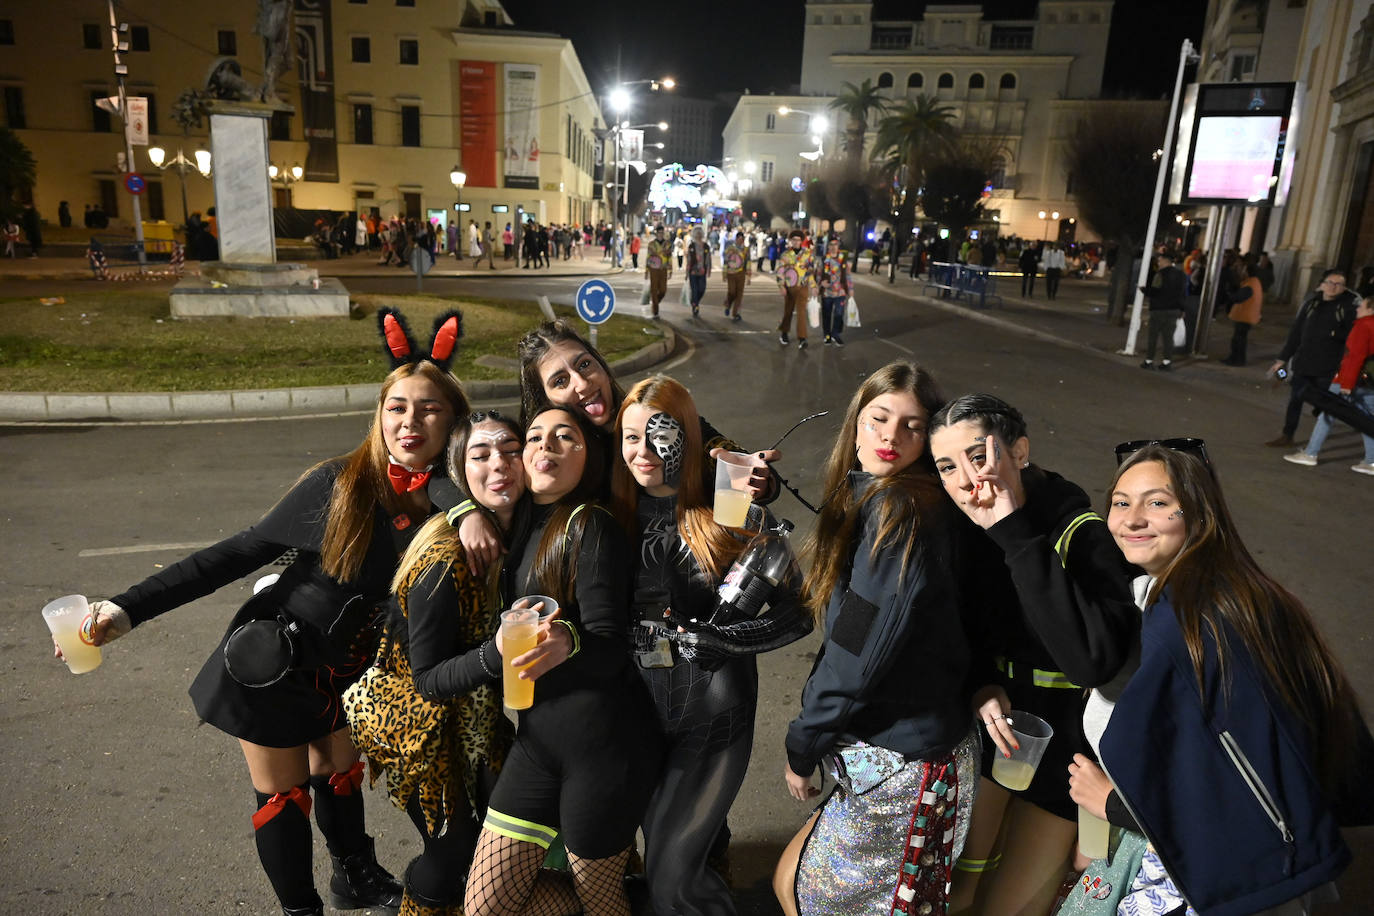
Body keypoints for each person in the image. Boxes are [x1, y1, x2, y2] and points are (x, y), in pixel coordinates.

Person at [55, 308, 469, 916]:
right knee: (284, 793)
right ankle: (301, 910)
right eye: (397, 407)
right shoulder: (341, 483)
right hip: (278, 660)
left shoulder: (454, 496)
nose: (410, 421)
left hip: (353, 669)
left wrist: (462, 505)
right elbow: (235, 554)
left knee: (339, 769)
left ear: (454, 419)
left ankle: (353, 874)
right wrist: (124, 610)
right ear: (379, 415)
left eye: (429, 408)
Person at [1066, 443, 1371, 915]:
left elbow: (1227, 786)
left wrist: (1112, 805)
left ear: (1200, 514)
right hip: (1271, 866)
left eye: (1158, 502)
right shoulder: (1235, 592)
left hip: (1228, 881)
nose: (1132, 519)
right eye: (1121, 503)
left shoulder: (1190, 623)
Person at [772, 361, 980, 916]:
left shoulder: (899, 511)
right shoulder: (873, 493)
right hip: (885, 751)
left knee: (814, 899)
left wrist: (803, 745)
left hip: (904, 763)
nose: (890, 436)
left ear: (931, 436)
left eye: (912, 426)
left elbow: (855, 651)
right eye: (879, 418)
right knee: (794, 883)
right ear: (856, 422)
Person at [926, 394, 1139, 916]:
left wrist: (1014, 534)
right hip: (995, 733)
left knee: (1015, 905)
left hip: (1067, 746)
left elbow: (1092, 660)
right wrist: (980, 681)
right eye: (947, 466)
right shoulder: (965, 525)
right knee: (954, 890)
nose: (964, 479)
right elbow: (960, 625)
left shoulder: (1082, 533)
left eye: (979, 457)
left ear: (1019, 451)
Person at [612, 376, 812, 916]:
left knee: (672, 876)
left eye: (660, 434)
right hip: (634, 714)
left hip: (713, 715)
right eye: (630, 437)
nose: (644, 451)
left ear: (687, 437)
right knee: (659, 864)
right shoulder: (608, 513)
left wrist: (724, 638)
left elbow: (799, 612)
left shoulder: (727, 506)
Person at [463, 406, 663, 916]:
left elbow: (613, 646)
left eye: (564, 437)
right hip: (537, 743)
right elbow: (447, 473)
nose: (545, 446)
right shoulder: (519, 523)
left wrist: (569, 640)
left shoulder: (589, 524)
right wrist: (460, 513)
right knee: (486, 906)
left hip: (601, 747)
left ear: (587, 457)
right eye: (533, 437)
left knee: (600, 901)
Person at [355, 411, 545, 915]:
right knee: (452, 846)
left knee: (503, 835)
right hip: (414, 719)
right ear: (462, 473)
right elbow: (428, 680)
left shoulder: (520, 527)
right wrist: (497, 652)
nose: (499, 465)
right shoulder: (442, 560)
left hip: (473, 715)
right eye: (480, 456)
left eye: (509, 451)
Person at [1266, 268, 1360, 447]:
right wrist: (1282, 359)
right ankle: (1288, 434)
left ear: (1344, 287)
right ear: (1322, 285)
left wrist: (1335, 335)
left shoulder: (1348, 308)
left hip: (1328, 366)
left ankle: (1316, 443)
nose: (1333, 287)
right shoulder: (1311, 305)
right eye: (1330, 283)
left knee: (1323, 405)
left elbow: (1352, 338)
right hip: (1304, 362)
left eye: (1338, 284)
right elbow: (1296, 333)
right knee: (1296, 399)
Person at [1284, 295, 1374, 474]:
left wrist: (1345, 383)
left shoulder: (1364, 326)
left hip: (1349, 380)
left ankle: (1310, 453)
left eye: (1362, 307)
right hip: (1368, 382)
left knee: (1327, 414)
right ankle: (1371, 461)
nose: (1357, 309)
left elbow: (1354, 357)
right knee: (1366, 420)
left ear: (1371, 310)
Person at [1139, 249, 1186, 371]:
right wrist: (1182, 308)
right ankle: (1167, 362)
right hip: (1174, 309)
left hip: (1159, 309)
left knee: (1153, 335)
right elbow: (1183, 293)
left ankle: (1149, 360)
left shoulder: (1160, 274)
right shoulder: (1180, 274)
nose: (1158, 263)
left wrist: (1144, 290)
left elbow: (1155, 291)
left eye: (1159, 261)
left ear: (1165, 261)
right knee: (1168, 337)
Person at [775, 230, 816, 350]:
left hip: (803, 287)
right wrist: (781, 286)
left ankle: (802, 338)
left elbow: (811, 271)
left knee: (802, 313)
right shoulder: (785, 255)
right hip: (789, 287)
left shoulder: (808, 254)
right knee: (788, 311)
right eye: (794, 240)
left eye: (798, 240)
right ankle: (784, 332)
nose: (796, 242)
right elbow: (780, 271)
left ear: (802, 241)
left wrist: (813, 286)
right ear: (791, 241)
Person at [1221, 259, 1264, 366]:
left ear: (1248, 272)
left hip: (1245, 317)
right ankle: (1236, 359)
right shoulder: (1254, 282)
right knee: (1240, 339)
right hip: (1247, 316)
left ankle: (1237, 360)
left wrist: (1229, 295)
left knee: (1238, 341)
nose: (1242, 272)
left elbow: (1239, 298)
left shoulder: (1250, 284)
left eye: (1244, 270)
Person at [816, 237, 851, 347]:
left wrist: (850, 289)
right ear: (828, 246)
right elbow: (818, 274)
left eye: (835, 244)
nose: (833, 247)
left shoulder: (843, 259)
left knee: (839, 314)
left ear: (838, 246)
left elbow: (848, 276)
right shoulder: (824, 259)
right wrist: (821, 283)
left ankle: (836, 334)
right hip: (827, 293)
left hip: (840, 292)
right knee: (826, 315)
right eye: (831, 245)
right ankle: (827, 335)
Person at [644, 225, 674, 320]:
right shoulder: (651, 244)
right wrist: (646, 270)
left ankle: (655, 302)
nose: (661, 234)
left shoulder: (667, 244)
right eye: (659, 232)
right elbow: (648, 258)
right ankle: (655, 310)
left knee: (663, 290)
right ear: (656, 233)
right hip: (653, 269)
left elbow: (670, 257)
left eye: (662, 233)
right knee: (654, 289)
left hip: (663, 269)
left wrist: (670, 270)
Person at [721, 230, 751, 322]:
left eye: (742, 239)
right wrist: (724, 273)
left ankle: (735, 313)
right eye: (739, 239)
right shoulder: (730, 248)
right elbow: (726, 260)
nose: (741, 241)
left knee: (739, 294)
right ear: (736, 239)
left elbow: (748, 262)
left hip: (741, 273)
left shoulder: (746, 249)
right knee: (732, 291)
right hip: (731, 272)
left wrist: (749, 275)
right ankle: (728, 304)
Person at [686, 226, 712, 318]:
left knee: (702, 289)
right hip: (693, 272)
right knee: (694, 290)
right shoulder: (691, 246)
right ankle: (695, 305)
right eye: (697, 234)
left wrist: (709, 269)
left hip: (702, 272)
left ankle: (695, 301)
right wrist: (687, 272)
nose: (698, 235)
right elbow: (689, 260)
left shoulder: (706, 246)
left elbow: (708, 259)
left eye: (700, 234)